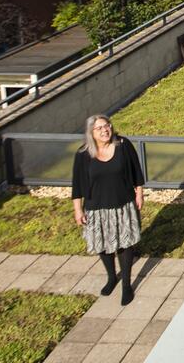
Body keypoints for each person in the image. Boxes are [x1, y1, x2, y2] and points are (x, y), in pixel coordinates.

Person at [71, 114, 145, 305]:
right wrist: (78, 209)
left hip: (123, 204)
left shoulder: (123, 145)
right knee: (102, 244)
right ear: (91, 133)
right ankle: (112, 277)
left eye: (107, 126)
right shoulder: (83, 154)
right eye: (99, 128)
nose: (105, 130)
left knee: (125, 243)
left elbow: (137, 171)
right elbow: (77, 184)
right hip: (97, 208)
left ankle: (127, 285)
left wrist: (139, 193)